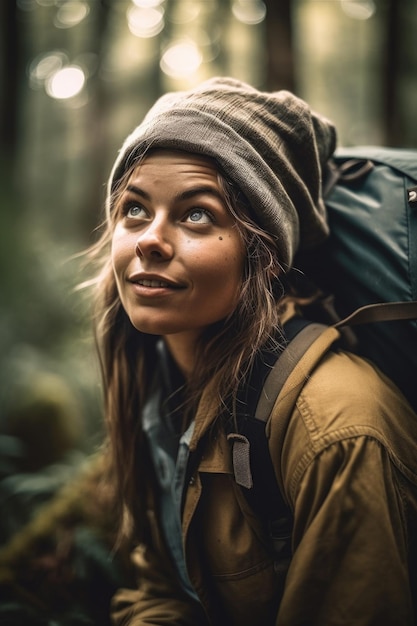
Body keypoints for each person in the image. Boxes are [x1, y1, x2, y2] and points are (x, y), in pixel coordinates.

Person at [89, 77, 417, 625]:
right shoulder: (151, 366)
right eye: (135, 209)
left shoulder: (337, 430)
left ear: (264, 257)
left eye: (196, 214)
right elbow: (163, 586)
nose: (149, 239)